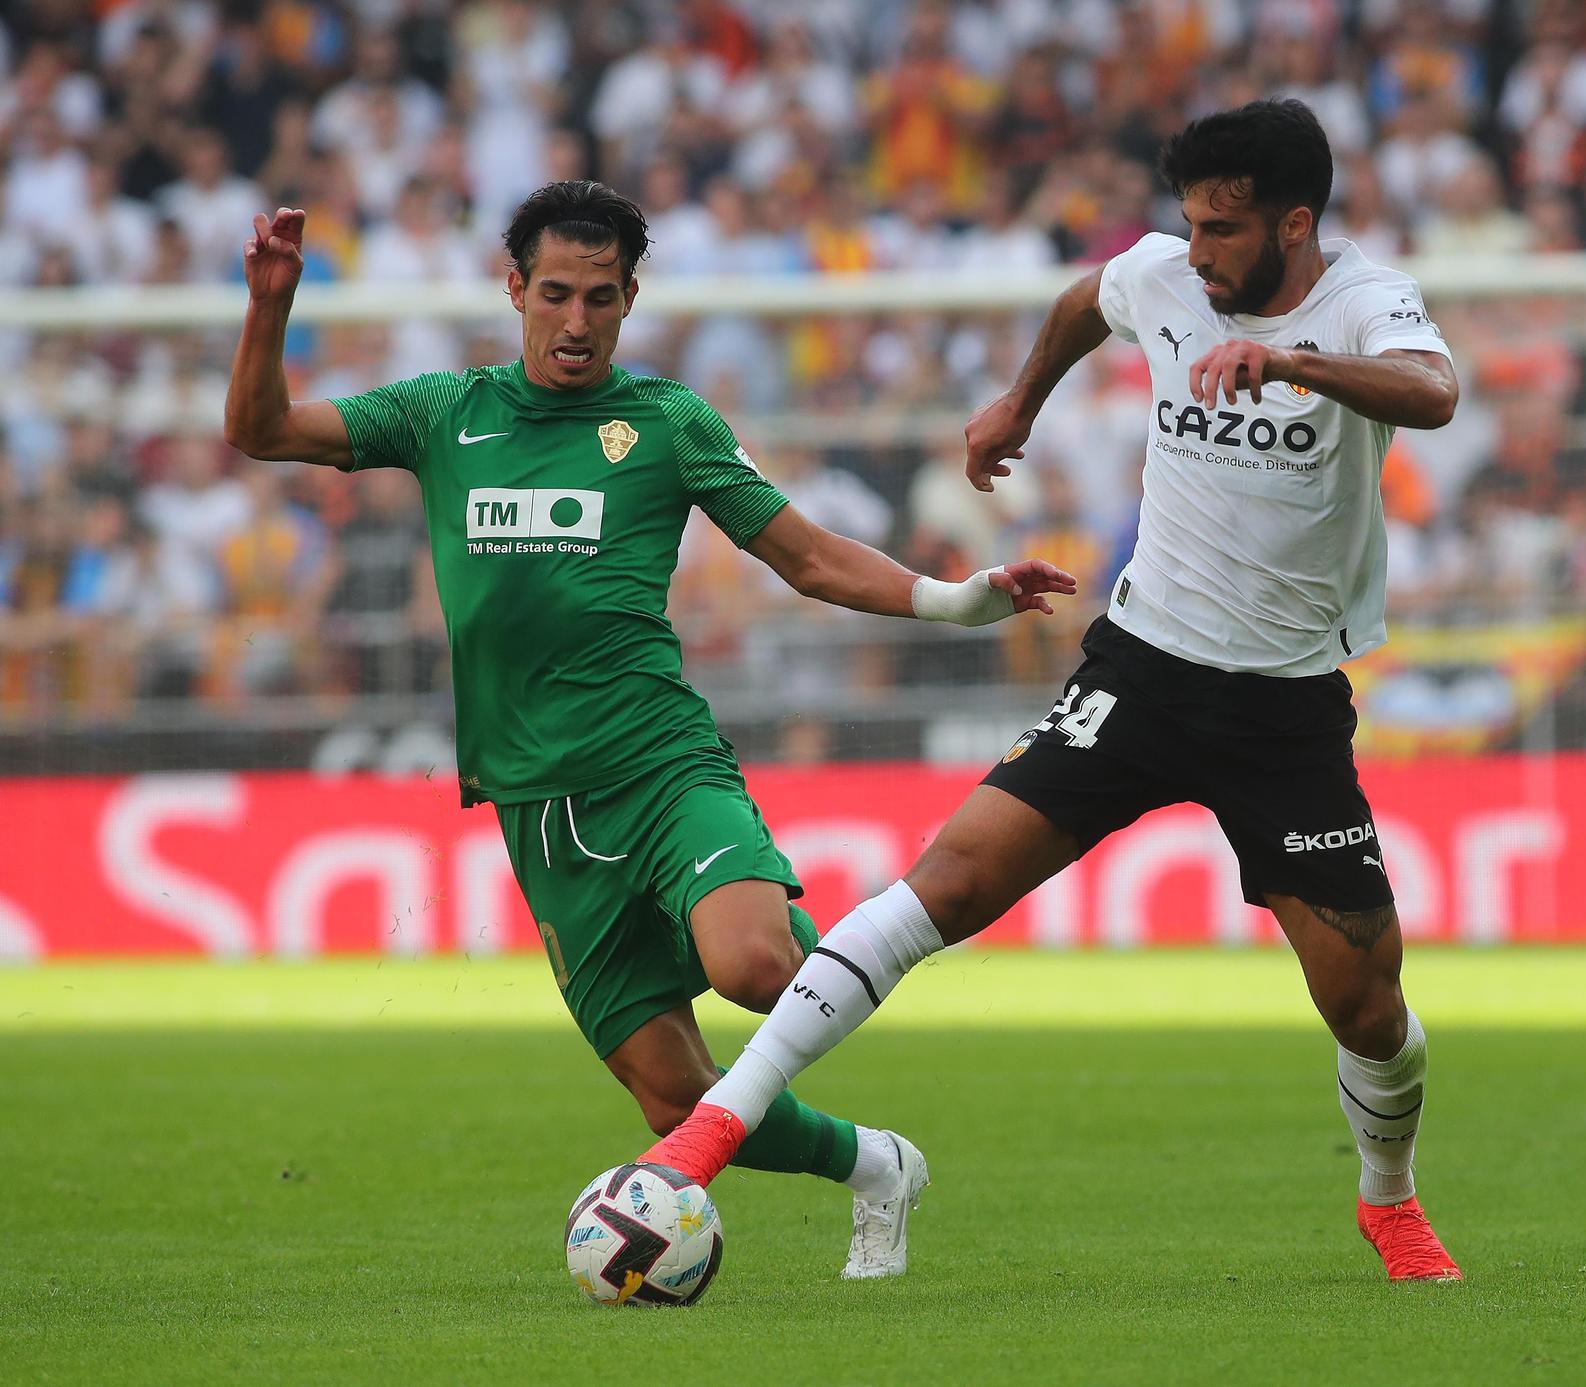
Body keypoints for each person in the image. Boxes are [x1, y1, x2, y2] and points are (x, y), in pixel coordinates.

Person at [644, 100, 1466, 1283]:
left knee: (1364, 1007)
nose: (1197, 252)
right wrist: (1019, 402)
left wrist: (1284, 363)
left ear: (1295, 224)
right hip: (1141, 666)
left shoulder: (1363, 301)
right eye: (1188, 224)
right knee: (947, 881)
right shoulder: (1163, 276)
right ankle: (705, 1136)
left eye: (1225, 231)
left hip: (1285, 705)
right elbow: (1089, 297)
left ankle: (1385, 1197)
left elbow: (1431, 391)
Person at [221, 179, 1075, 1281]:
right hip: (537, 809)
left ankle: (846, 964)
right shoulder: (443, 414)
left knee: (758, 963)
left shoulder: (666, 423)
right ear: (515, 289)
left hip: (660, 763)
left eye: (604, 299)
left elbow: (806, 556)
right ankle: (875, 1163)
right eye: (558, 295)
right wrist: (271, 304)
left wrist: (957, 601)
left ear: (630, 301)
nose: (578, 322)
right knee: (674, 1096)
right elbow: (258, 430)